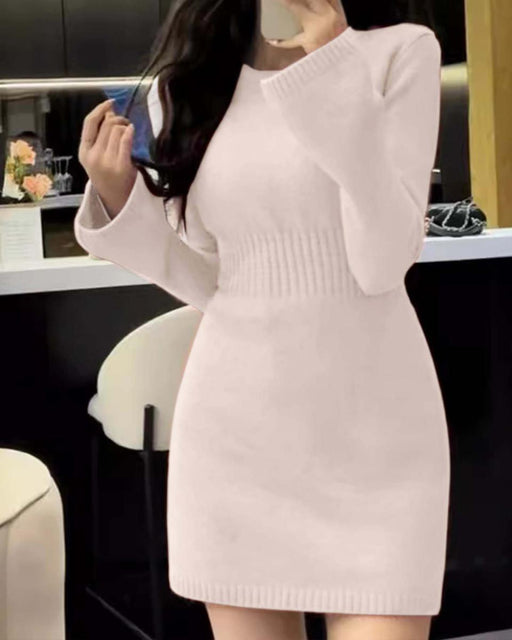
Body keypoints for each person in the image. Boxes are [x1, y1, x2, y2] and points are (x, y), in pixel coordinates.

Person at [74, 1, 450, 639]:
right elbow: (213, 283)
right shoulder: (188, 86)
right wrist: (120, 199)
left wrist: (333, 74)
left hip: (376, 440)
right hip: (236, 440)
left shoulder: (399, 53)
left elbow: (382, 263)